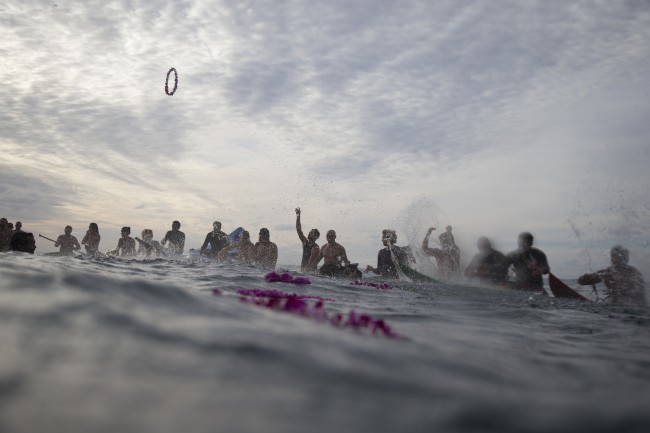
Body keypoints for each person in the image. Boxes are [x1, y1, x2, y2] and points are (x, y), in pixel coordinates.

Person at [578, 245, 646, 306]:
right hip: (618, 307)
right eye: (612, 256)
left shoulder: (633, 273)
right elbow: (582, 281)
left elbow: (641, 297)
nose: (612, 259)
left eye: (614, 256)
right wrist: (584, 278)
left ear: (625, 257)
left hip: (626, 307)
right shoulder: (608, 272)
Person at [295, 207, 320, 272]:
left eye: (312, 233)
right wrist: (298, 216)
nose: (309, 233)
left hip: (311, 273)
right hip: (303, 271)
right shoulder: (305, 242)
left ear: (316, 237)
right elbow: (298, 230)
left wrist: (307, 269)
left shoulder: (316, 247)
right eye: (310, 232)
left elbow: (312, 261)